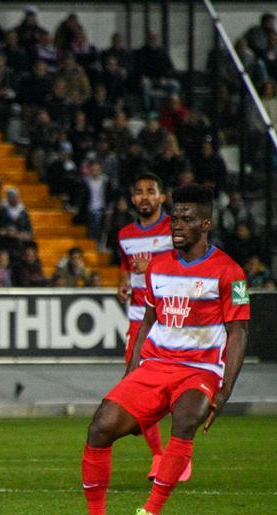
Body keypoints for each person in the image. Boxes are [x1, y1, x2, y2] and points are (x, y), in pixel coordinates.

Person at [71, 184, 249, 515]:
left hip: (199, 370)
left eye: (187, 219)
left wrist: (225, 390)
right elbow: (148, 322)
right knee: (100, 426)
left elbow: (239, 333)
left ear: (205, 224)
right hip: (155, 366)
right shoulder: (158, 267)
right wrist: (132, 372)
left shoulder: (230, 272)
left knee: (184, 421)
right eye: (175, 217)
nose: (177, 224)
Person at [114, 173, 191, 482]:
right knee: (136, 389)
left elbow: (187, 264)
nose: (144, 197)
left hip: (172, 318)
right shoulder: (125, 235)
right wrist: (124, 281)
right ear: (133, 199)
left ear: (162, 197)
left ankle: (181, 456)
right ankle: (159, 457)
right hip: (139, 318)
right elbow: (125, 263)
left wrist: (153, 268)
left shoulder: (174, 228)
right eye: (139, 192)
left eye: (151, 191)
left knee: (178, 389)